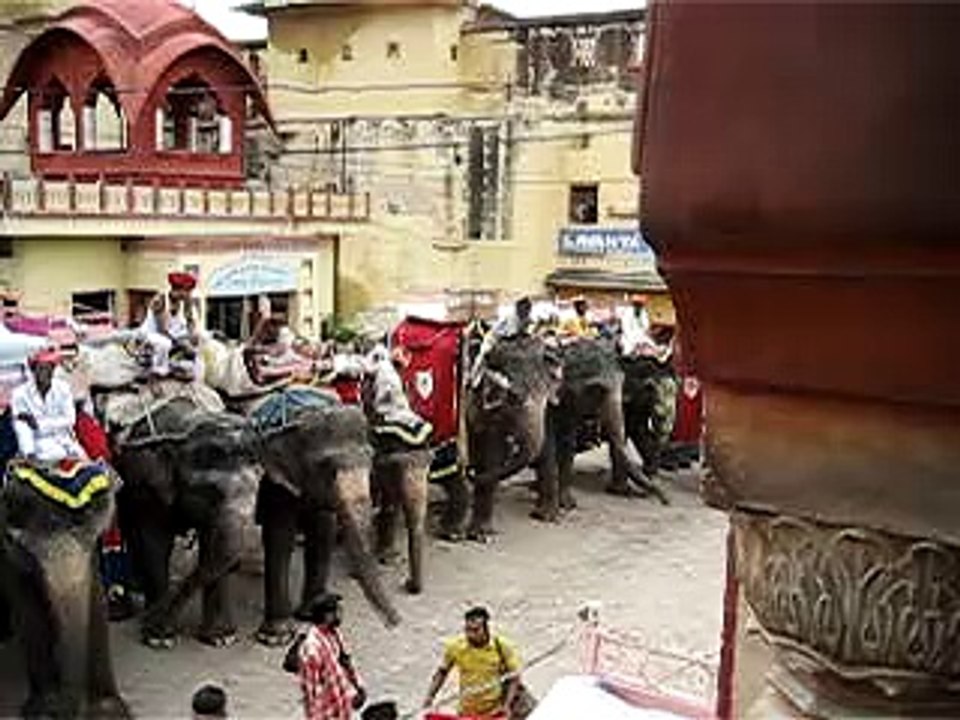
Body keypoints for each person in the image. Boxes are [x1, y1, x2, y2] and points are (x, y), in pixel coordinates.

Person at [423, 606, 522, 718]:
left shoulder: (502, 646)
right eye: (467, 630)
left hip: (494, 712)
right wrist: (430, 697)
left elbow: (514, 677)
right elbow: (442, 673)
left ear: (486, 629)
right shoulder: (456, 647)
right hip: (466, 711)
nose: (470, 635)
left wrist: (507, 704)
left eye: (475, 630)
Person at [11, 348, 86, 463]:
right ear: (33, 370)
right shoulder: (19, 394)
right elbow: (22, 427)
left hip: (66, 441)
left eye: (48, 368)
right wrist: (29, 452)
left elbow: (70, 419)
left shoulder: (63, 388)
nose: (44, 372)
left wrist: (39, 424)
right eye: (40, 368)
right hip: (38, 445)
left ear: (53, 369)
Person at [299, 593, 367, 720]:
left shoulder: (334, 634)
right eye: (337, 610)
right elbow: (311, 691)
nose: (340, 614)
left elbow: (345, 662)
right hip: (327, 714)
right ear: (327, 616)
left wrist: (358, 686)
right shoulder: (312, 649)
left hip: (342, 706)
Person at [139, 271, 199, 377]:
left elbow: (190, 321)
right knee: (165, 344)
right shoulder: (160, 301)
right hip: (154, 334)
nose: (189, 294)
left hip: (174, 335)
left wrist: (192, 333)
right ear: (178, 290)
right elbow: (161, 330)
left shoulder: (186, 302)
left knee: (198, 339)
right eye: (187, 291)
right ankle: (157, 371)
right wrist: (181, 344)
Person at [470, 296, 534, 382]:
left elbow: (526, 328)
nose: (527, 311)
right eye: (525, 309)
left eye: (528, 309)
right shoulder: (513, 318)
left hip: (506, 341)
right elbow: (513, 336)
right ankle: (472, 378)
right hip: (493, 340)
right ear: (518, 308)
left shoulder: (525, 317)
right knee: (483, 356)